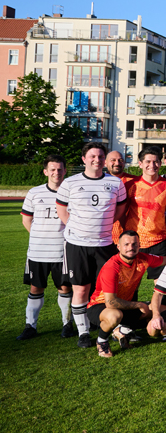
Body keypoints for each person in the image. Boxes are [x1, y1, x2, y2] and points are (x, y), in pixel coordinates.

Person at [56, 142, 128, 348]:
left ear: (104, 160)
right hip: (77, 244)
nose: (97, 160)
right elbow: (61, 208)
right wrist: (75, 227)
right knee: (80, 289)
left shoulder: (115, 183)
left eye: (100, 157)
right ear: (84, 159)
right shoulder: (70, 183)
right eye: (92, 156)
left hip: (105, 244)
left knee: (106, 290)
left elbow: (121, 208)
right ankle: (83, 333)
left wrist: (103, 224)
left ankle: (105, 325)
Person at [85, 231, 166, 357]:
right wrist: (138, 304)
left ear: (139, 245)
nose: (130, 248)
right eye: (126, 244)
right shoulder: (112, 267)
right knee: (115, 315)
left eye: (134, 244)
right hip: (100, 306)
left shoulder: (142, 259)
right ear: (118, 247)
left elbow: (164, 260)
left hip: (123, 306)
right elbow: (110, 302)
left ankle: (123, 331)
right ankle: (102, 341)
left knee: (162, 309)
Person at [17, 155, 73, 341]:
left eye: (59, 169)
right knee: (36, 288)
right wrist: (39, 236)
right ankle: (30, 326)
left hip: (63, 251)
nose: (56, 172)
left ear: (65, 171)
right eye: (52, 169)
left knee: (64, 288)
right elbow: (26, 219)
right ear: (45, 171)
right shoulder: (35, 192)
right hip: (38, 251)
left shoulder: (72, 192)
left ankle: (67, 324)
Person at [122, 147, 166, 279]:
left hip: (159, 241)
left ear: (160, 163)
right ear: (140, 164)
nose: (152, 165)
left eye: (156, 162)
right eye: (148, 161)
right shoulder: (131, 185)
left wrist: (160, 229)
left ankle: (160, 301)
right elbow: (123, 212)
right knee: (130, 282)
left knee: (161, 283)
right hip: (135, 240)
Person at [106, 149, 136, 245]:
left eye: (120, 160)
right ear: (105, 163)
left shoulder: (134, 182)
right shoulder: (99, 182)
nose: (117, 163)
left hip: (128, 236)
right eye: (113, 160)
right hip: (106, 235)